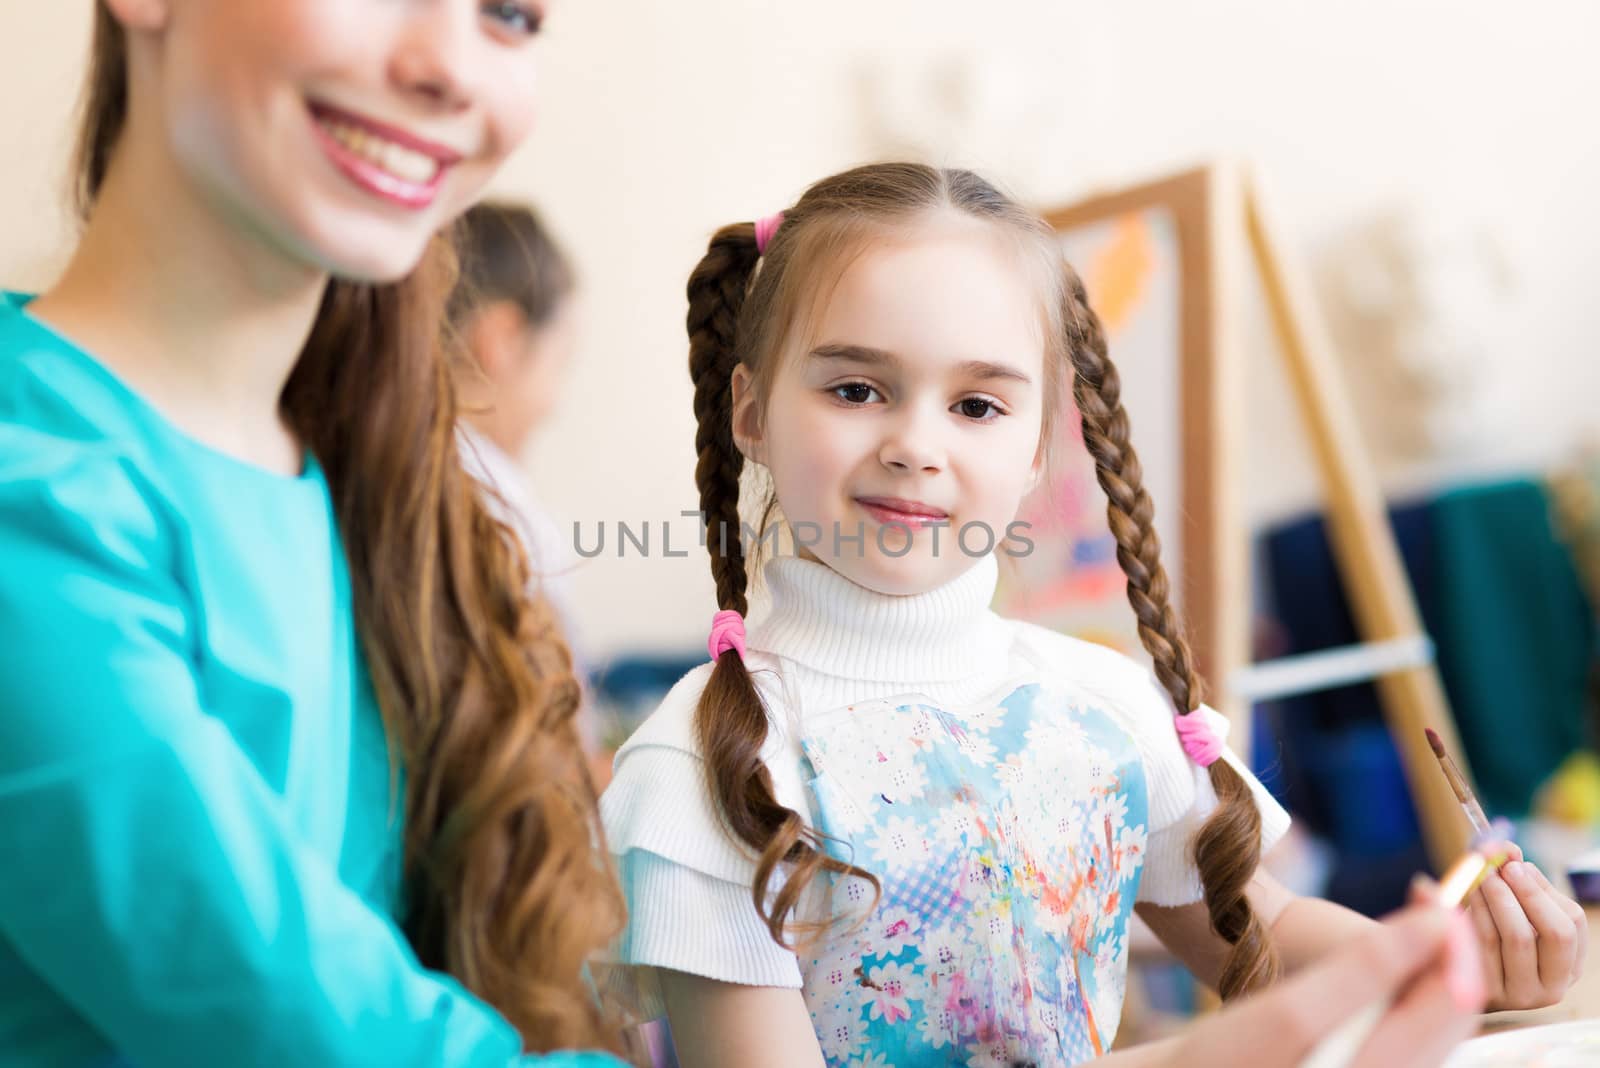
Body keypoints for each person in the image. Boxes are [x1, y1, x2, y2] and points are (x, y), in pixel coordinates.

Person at [599, 162, 1585, 1066]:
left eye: (977, 405)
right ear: (750, 411)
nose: (914, 443)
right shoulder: (704, 760)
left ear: (1039, 446)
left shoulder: (1103, 706)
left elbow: (1268, 935)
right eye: (856, 389)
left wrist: (1461, 962)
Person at [0, 2, 625, 1064]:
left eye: (509, 14)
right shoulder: (34, 475)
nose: (448, 69)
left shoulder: (384, 492)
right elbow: (305, 1023)